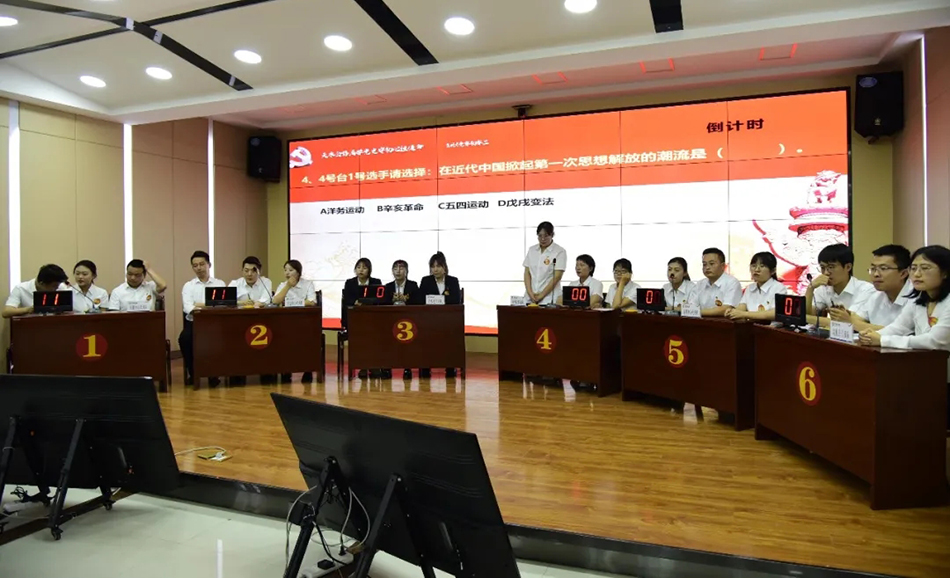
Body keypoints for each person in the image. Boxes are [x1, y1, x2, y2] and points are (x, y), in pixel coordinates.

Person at [859, 245, 950, 429]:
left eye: (925, 268)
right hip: (930, 374)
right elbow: (899, 327)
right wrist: (871, 336)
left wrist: (882, 340)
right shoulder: (918, 300)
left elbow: (935, 340)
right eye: (914, 268)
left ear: (945, 273)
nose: (917, 274)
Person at [834, 244, 912, 331]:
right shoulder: (876, 296)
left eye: (883, 268)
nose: (876, 274)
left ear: (903, 273)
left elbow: (900, 332)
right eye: (873, 269)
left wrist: (851, 322)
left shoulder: (915, 299)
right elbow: (856, 319)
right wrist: (845, 317)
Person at [179, 251, 225, 387]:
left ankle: (214, 374)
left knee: (221, 338)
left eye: (201, 264)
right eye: (195, 265)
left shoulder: (219, 284)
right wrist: (208, 305)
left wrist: (199, 305)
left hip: (214, 323)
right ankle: (193, 373)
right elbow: (188, 307)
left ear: (209, 265)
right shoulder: (188, 286)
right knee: (184, 339)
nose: (198, 268)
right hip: (194, 323)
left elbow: (222, 305)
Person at [419, 252, 462, 378]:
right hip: (429, 319)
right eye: (432, 267)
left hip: (448, 320)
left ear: (444, 267)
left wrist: (437, 299)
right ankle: (425, 367)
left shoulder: (452, 281)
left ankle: (450, 367)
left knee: (450, 336)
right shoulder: (426, 281)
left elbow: (455, 299)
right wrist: (441, 299)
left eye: (438, 266)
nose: (435, 269)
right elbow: (421, 299)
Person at [274, 259, 317, 384]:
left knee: (306, 337)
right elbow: (276, 301)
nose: (287, 273)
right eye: (285, 270)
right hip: (287, 322)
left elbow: (312, 302)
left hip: (305, 321)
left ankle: (307, 370)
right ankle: (286, 370)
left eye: (291, 270)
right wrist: (288, 286)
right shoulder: (283, 285)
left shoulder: (308, 284)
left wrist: (290, 303)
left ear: (298, 272)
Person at [805, 243, 875, 317]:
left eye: (831, 267)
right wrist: (810, 288)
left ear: (848, 267)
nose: (826, 273)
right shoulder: (823, 289)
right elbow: (807, 316)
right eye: (822, 267)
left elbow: (848, 320)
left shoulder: (865, 290)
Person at [342, 258, 382, 379]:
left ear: (369, 270)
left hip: (372, 319)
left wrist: (366, 303)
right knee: (361, 336)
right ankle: (363, 366)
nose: (361, 270)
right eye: (358, 267)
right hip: (354, 319)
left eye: (364, 268)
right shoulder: (350, 283)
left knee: (374, 336)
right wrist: (355, 302)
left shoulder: (376, 282)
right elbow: (347, 300)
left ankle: (374, 365)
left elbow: (379, 299)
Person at [726, 252, 787, 321]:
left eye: (762, 266)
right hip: (751, 326)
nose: (756, 270)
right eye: (754, 266)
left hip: (771, 327)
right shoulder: (750, 288)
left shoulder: (779, 288)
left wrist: (744, 314)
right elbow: (742, 308)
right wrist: (732, 312)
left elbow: (775, 313)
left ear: (773, 271)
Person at [523, 221, 566, 305]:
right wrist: (530, 293)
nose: (542, 239)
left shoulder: (559, 251)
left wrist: (541, 296)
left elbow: (557, 277)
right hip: (530, 297)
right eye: (540, 236)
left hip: (549, 298)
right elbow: (527, 273)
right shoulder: (532, 250)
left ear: (552, 235)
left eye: (546, 236)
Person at [3, 264, 69, 318]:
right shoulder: (21, 288)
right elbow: (6, 312)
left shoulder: (61, 287)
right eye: (54, 286)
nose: (57, 288)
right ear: (42, 283)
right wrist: (28, 310)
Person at [692, 248, 742, 316]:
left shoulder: (732, 283)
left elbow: (726, 309)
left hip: (723, 321)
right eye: (704, 264)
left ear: (722, 266)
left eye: (711, 264)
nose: (707, 267)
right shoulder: (699, 284)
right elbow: (691, 306)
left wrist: (696, 312)